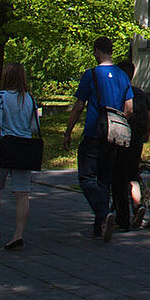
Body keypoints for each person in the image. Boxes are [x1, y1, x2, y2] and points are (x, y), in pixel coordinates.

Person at [62, 36, 133, 242]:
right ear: (111, 51)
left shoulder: (91, 75)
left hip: (94, 132)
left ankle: (102, 214)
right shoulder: (122, 75)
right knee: (104, 179)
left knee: (86, 178)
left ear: (96, 51)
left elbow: (78, 107)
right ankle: (99, 227)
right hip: (114, 136)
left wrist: (68, 132)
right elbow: (129, 108)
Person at [0, 62, 38, 251]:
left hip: (4, 146)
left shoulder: (1, 96)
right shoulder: (30, 98)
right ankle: (18, 234)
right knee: (22, 193)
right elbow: (34, 127)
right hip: (24, 148)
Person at [112, 59, 150, 230]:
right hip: (138, 139)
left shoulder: (119, 93)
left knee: (118, 179)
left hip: (122, 139)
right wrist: (146, 136)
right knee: (132, 175)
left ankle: (121, 219)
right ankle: (138, 207)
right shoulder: (141, 94)